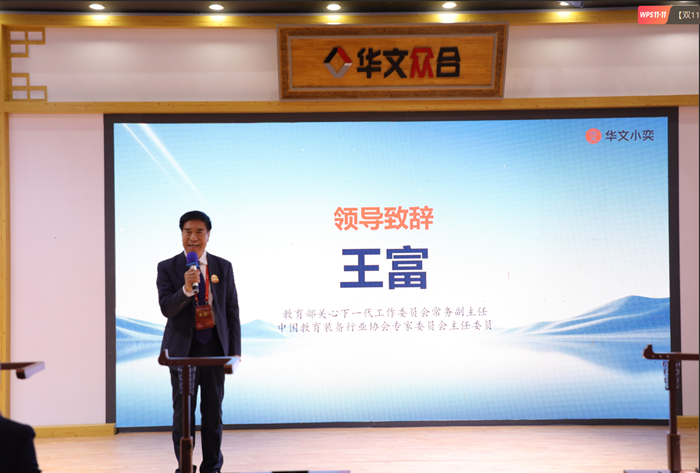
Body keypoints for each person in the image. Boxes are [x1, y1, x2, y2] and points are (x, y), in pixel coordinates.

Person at [157, 210, 241, 473]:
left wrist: (235, 352)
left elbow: (231, 311)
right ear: (181, 234)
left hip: (215, 348)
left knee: (213, 412)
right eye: (187, 232)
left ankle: (212, 467)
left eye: (199, 232)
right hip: (183, 352)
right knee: (183, 415)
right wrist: (185, 289)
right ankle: (185, 467)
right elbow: (167, 309)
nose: (193, 237)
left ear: (208, 235)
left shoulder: (223, 267)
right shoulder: (167, 267)